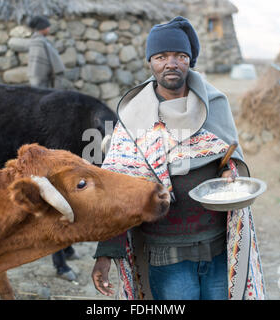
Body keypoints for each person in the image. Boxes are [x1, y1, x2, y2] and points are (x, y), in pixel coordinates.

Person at [91, 16, 265, 300]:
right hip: (165, 252)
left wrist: (229, 175)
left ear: (189, 61)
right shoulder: (136, 117)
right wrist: (105, 255)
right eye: (161, 56)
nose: (171, 63)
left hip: (218, 246)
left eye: (179, 56)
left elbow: (230, 160)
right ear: (151, 62)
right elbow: (118, 188)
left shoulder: (214, 104)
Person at [27, 16, 78, 281]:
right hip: (46, 107)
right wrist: (44, 103)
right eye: (47, 24)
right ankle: (58, 253)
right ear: (41, 26)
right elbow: (37, 77)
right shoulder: (38, 45)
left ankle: (65, 249)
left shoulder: (42, 42)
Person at [27, 16, 65, 89]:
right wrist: (58, 70)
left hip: (35, 79)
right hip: (41, 80)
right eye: (47, 27)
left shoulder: (35, 41)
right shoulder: (41, 42)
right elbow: (56, 65)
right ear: (42, 28)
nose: (49, 29)